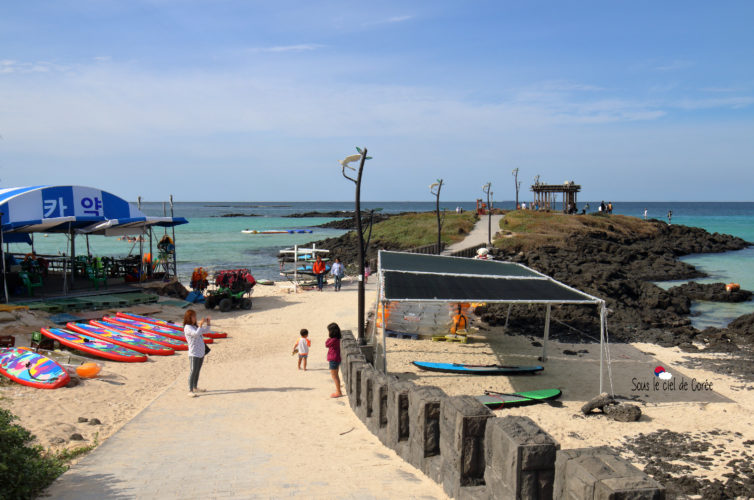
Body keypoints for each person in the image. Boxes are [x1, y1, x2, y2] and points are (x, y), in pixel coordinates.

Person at [183, 309, 211, 397]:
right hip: (193, 353)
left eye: (195, 316)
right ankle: (190, 390)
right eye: (193, 316)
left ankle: (195, 387)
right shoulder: (187, 327)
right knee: (193, 370)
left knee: (197, 370)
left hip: (200, 352)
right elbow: (195, 334)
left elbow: (206, 331)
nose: (195, 318)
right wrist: (200, 324)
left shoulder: (195, 326)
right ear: (189, 317)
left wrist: (208, 323)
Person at [326, 322, 343, 398]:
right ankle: (338, 390)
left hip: (333, 358)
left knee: (334, 376)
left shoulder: (333, 340)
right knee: (336, 375)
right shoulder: (338, 339)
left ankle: (338, 392)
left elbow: (326, 344)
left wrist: (329, 338)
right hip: (337, 358)